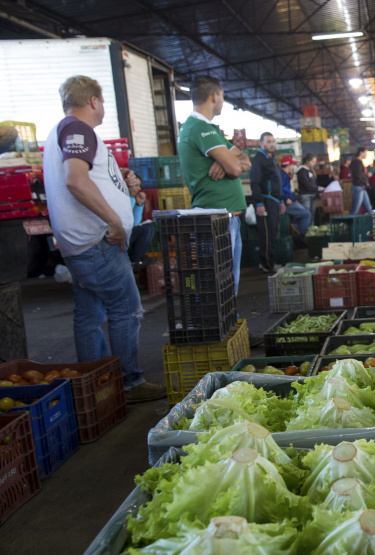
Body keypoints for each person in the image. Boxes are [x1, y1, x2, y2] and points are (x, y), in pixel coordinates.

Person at [43, 75, 165, 403]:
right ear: (94, 101)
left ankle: (95, 385)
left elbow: (88, 176)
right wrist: (114, 221)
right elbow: (76, 181)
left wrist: (120, 180)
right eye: (103, 102)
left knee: (88, 315)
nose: (104, 108)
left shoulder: (64, 132)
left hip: (79, 244)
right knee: (126, 309)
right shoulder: (78, 129)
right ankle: (130, 382)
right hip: (97, 242)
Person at [177, 75, 251, 293]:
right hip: (217, 218)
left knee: (228, 280)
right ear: (214, 95)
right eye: (222, 96)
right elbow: (237, 169)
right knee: (220, 281)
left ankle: (225, 324)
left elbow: (245, 160)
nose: (223, 101)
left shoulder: (211, 131)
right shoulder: (201, 129)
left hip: (228, 217)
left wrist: (227, 162)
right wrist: (229, 163)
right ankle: (218, 325)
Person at [249, 132, 286, 273]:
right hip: (265, 200)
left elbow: (276, 181)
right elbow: (255, 183)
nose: (272, 144)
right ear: (261, 143)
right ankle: (267, 264)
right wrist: (259, 203)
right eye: (269, 141)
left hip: (274, 200)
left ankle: (270, 261)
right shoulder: (259, 160)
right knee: (267, 233)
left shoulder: (271, 158)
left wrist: (281, 200)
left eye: (273, 141)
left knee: (272, 232)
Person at [124, 168, 155, 269]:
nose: (139, 188)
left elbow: (135, 223)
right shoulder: (123, 198)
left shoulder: (132, 199)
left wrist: (138, 204)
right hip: (120, 233)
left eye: (139, 185)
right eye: (136, 185)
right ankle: (135, 260)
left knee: (149, 227)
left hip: (126, 231)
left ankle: (138, 258)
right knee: (146, 229)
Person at [279, 155, 312, 240]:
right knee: (307, 214)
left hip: (289, 201)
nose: (293, 167)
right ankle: (299, 236)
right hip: (284, 203)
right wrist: (285, 199)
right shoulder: (281, 176)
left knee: (305, 209)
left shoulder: (285, 175)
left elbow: (288, 191)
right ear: (288, 165)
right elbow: (279, 190)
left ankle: (294, 226)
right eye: (292, 165)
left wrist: (295, 199)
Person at [349, 147, 372, 215]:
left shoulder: (358, 162)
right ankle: (348, 224)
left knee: (369, 209)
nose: (366, 154)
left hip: (362, 187)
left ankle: (367, 223)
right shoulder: (357, 162)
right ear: (361, 152)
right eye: (365, 153)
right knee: (354, 210)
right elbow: (358, 175)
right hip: (358, 188)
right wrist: (367, 175)